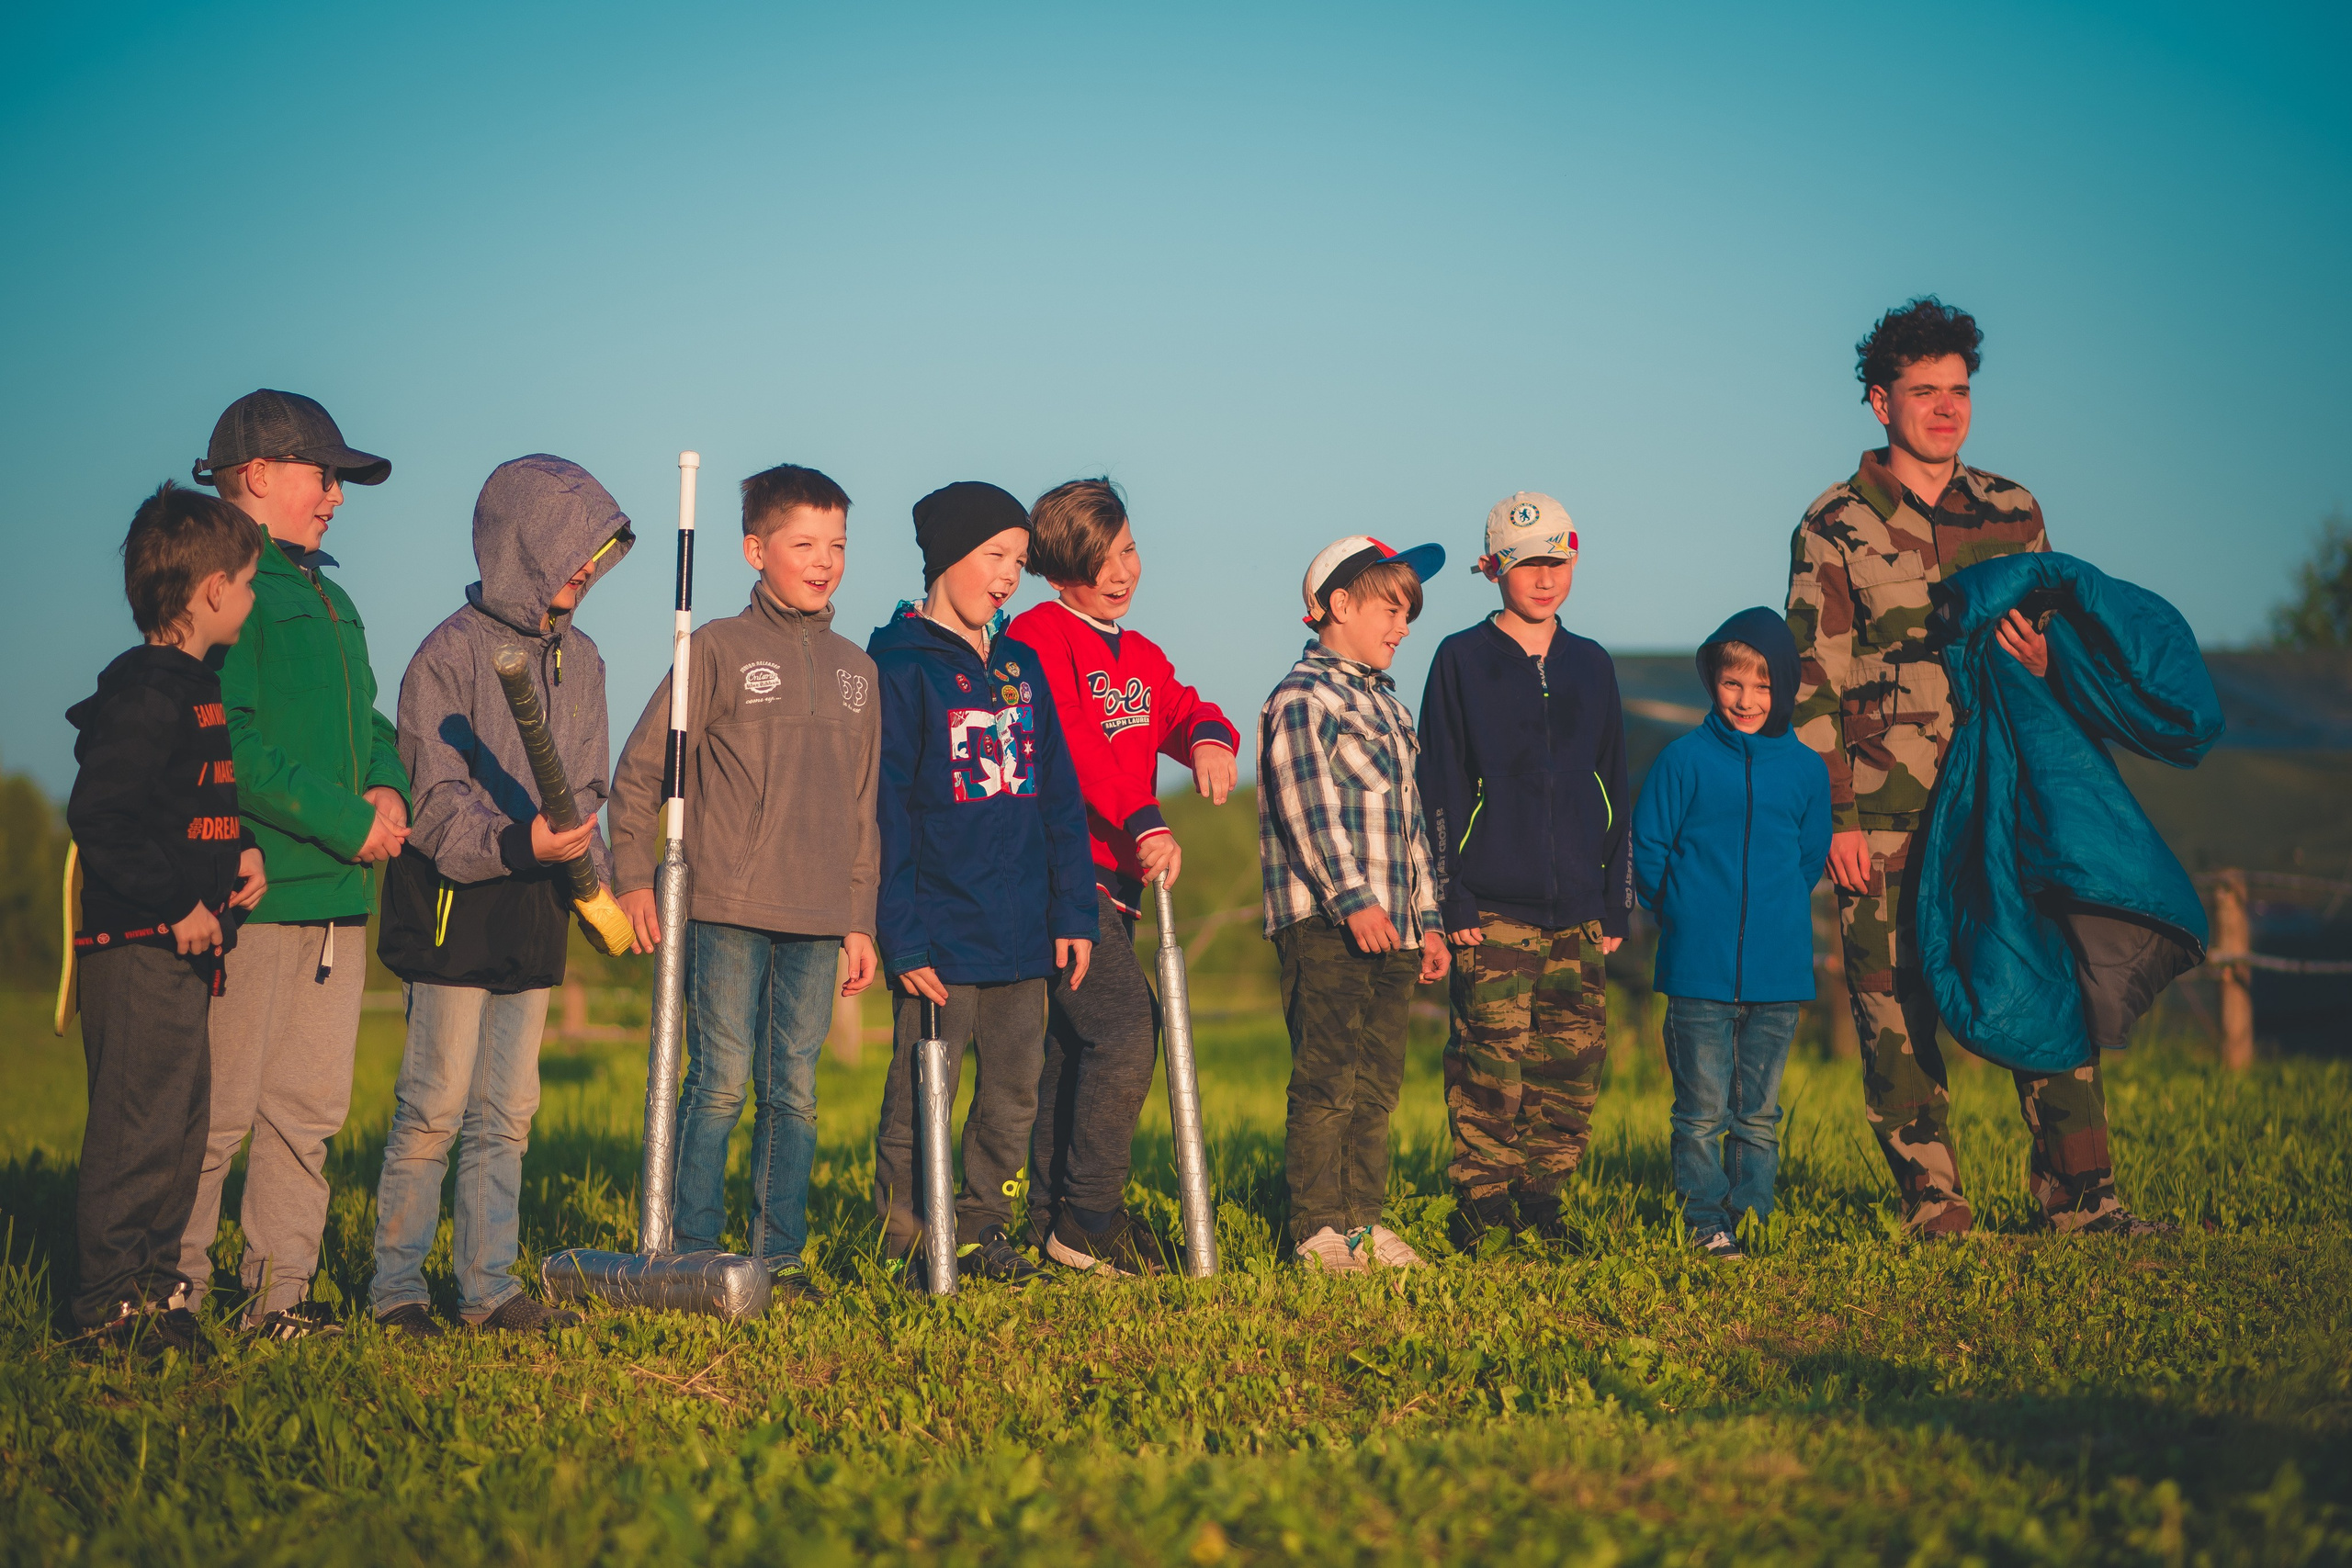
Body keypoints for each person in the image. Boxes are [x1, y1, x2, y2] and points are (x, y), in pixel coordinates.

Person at [1787, 297, 2169, 1236]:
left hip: (2004, 796)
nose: (1946, 409)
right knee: (1894, 1007)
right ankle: (1934, 1205)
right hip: (1886, 810)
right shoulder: (1833, 523)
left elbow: (2060, 645)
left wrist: (2045, 663)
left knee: (2041, 981)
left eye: (1958, 391)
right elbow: (1811, 682)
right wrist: (1832, 815)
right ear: (1880, 402)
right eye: (1924, 392)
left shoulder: (2014, 509)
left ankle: (2082, 1201)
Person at [370, 456, 637, 1337]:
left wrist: (592, 876)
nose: (584, 573)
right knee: (433, 1108)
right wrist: (519, 841)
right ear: (523, 547)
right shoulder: (446, 656)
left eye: (595, 557)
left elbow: (587, 790)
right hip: (455, 910)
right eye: (572, 553)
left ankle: (487, 1291)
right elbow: (437, 803)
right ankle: (396, 1291)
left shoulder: (586, 661)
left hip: (534, 917)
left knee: (506, 1115)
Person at [610, 463, 881, 1303]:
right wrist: (632, 874)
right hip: (724, 904)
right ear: (754, 549)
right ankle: (692, 1248)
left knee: (793, 1092)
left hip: (817, 915)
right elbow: (640, 772)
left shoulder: (857, 669)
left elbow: (865, 807)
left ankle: (780, 1258)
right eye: (804, 543)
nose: (824, 559)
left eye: (837, 544)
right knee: (721, 1079)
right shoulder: (715, 648)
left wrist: (859, 916)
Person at [180, 390, 412, 1338]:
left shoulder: (332, 593)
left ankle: (280, 1301)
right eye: (327, 477)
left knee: (306, 1114)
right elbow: (230, 738)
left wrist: (389, 787)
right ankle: (171, 1295)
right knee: (218, 1115)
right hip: (258, 893)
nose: (337, 497)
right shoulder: (228, 590)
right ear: (258, 477)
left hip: (337, 902)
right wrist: (340, 822)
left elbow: (363, 722)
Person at [1004, 479, 1240, 1275]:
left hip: (1113, 888)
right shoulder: (1038, 635)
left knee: (1078, 1045)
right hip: (1059, 878)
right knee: (1127, 1027)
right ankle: (1092, 1213)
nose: (1120, 572)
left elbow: (1175, 706)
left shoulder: (1134, 652)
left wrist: (1208, 737)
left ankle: (1050, 1221)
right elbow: (1072, 748)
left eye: (1129, 550)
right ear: (1054, 565)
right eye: (1096, 560)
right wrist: (1143, 819)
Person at [867, 481, 1095, 1288]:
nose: (1008, 575)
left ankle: (981, 1234)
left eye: (1019, 562)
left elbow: (1060, 800)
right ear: (944, 558)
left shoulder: (1020, 666)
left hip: (1024, 934)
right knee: (920, 1096)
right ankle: (904, 1244)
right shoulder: (898, 666)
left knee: (1012, 1097)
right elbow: (884, 813)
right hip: (937, 938)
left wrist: (1072, 911)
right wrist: (903, 934)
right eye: (994, 555)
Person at [64, 483, 267, 1357]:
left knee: (180, 1127)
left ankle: (155, 1295)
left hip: (185, 951)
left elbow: (188, 806)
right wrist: (180, 902)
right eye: (251, 584)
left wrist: (241, 852)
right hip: (140, 947)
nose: (253, 601)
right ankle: (106, 1305)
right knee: (133, 1131)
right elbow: (104, 814)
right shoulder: (150, 693)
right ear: (213, 589)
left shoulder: (194, 685)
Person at [1416, 493, 1632, 1253]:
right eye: (1528, 563)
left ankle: (1544, 1199)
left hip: (1580, 904)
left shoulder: (1593, 664)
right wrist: (1451, 892)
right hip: (1492, 903)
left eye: (1557, 561)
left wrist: (1616, 897)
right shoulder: (1459, 659)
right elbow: (1438, 783)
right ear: (1495, 568)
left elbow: (1615, 784)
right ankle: (1482, 1201)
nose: (1546, 578)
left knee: (1569, 1059)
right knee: (1489, 1054)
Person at [1259, 536, 1451, 1273]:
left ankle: (1364, 1221)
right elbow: (1309, 812)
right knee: (1327, 1078)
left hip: (1396, 927)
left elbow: (1409, 828)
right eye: (1391, 609)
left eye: (1409, 614)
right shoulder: (1305, 699)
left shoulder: (1392, 711)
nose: (1403, 626)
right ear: (1339, 605)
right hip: (1329, 925)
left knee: (1377, 1084)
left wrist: (1426, 921)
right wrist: (1354, 901)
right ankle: (1317, 1228)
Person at [1631, 610, 1830, 1260]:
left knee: (1759, 1112)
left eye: (1763, 686)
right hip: (1697, 969)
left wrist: (1770, 918)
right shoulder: (1682, 761)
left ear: (1787, 690)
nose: (1745, 700)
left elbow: (1807, 860)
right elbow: (1651, 851)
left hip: (1778, 971)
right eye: (1732, 683)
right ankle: (1705, 1221)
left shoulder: (1806, 771)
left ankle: (1754, 1216)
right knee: (1701, 1110)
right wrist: (1686, 915)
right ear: (1712, 680)